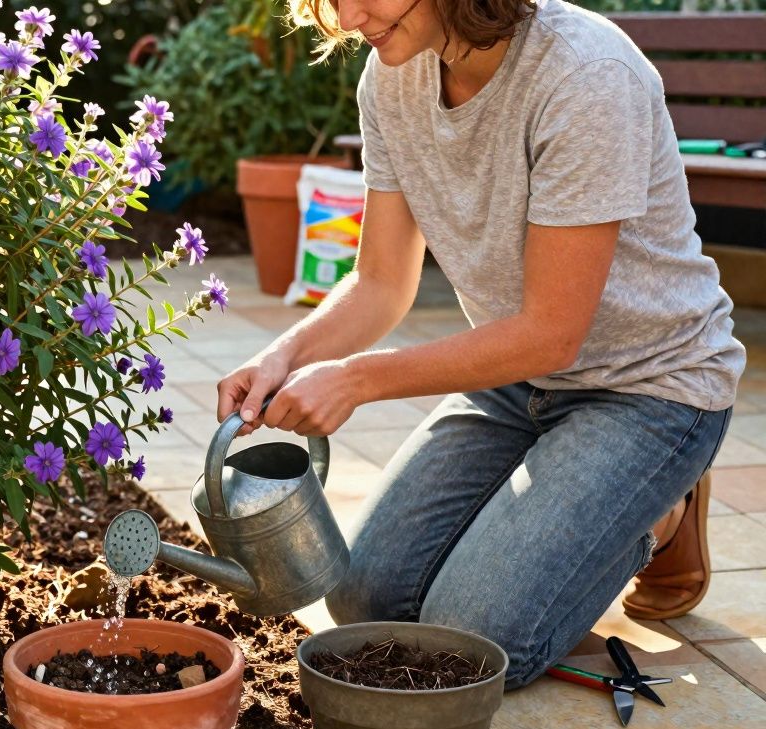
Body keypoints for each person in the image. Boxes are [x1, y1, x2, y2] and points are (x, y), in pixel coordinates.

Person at [216, 0, 746, 689]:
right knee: (364, 600)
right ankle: (586, 491)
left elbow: (554, 333)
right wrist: (285, 355)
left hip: (649, 387)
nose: (347, 19)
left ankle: (662, 511)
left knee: (472, 645)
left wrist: (356, 380)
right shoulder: (391, 76)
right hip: (517, 379)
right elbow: (379, 283)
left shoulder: (586, 74)